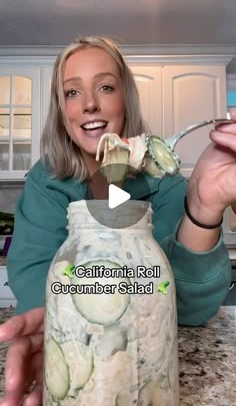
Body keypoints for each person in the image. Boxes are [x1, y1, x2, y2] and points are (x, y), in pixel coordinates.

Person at [0, 35, 235, 406]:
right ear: (62, 110)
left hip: (150, 369)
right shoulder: (46, 183)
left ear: (125, 98)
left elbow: (189, 307)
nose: (89, 104)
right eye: (72, 93)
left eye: (105, 87)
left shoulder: (165, 185)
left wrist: (204, 207)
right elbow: (38, 286)